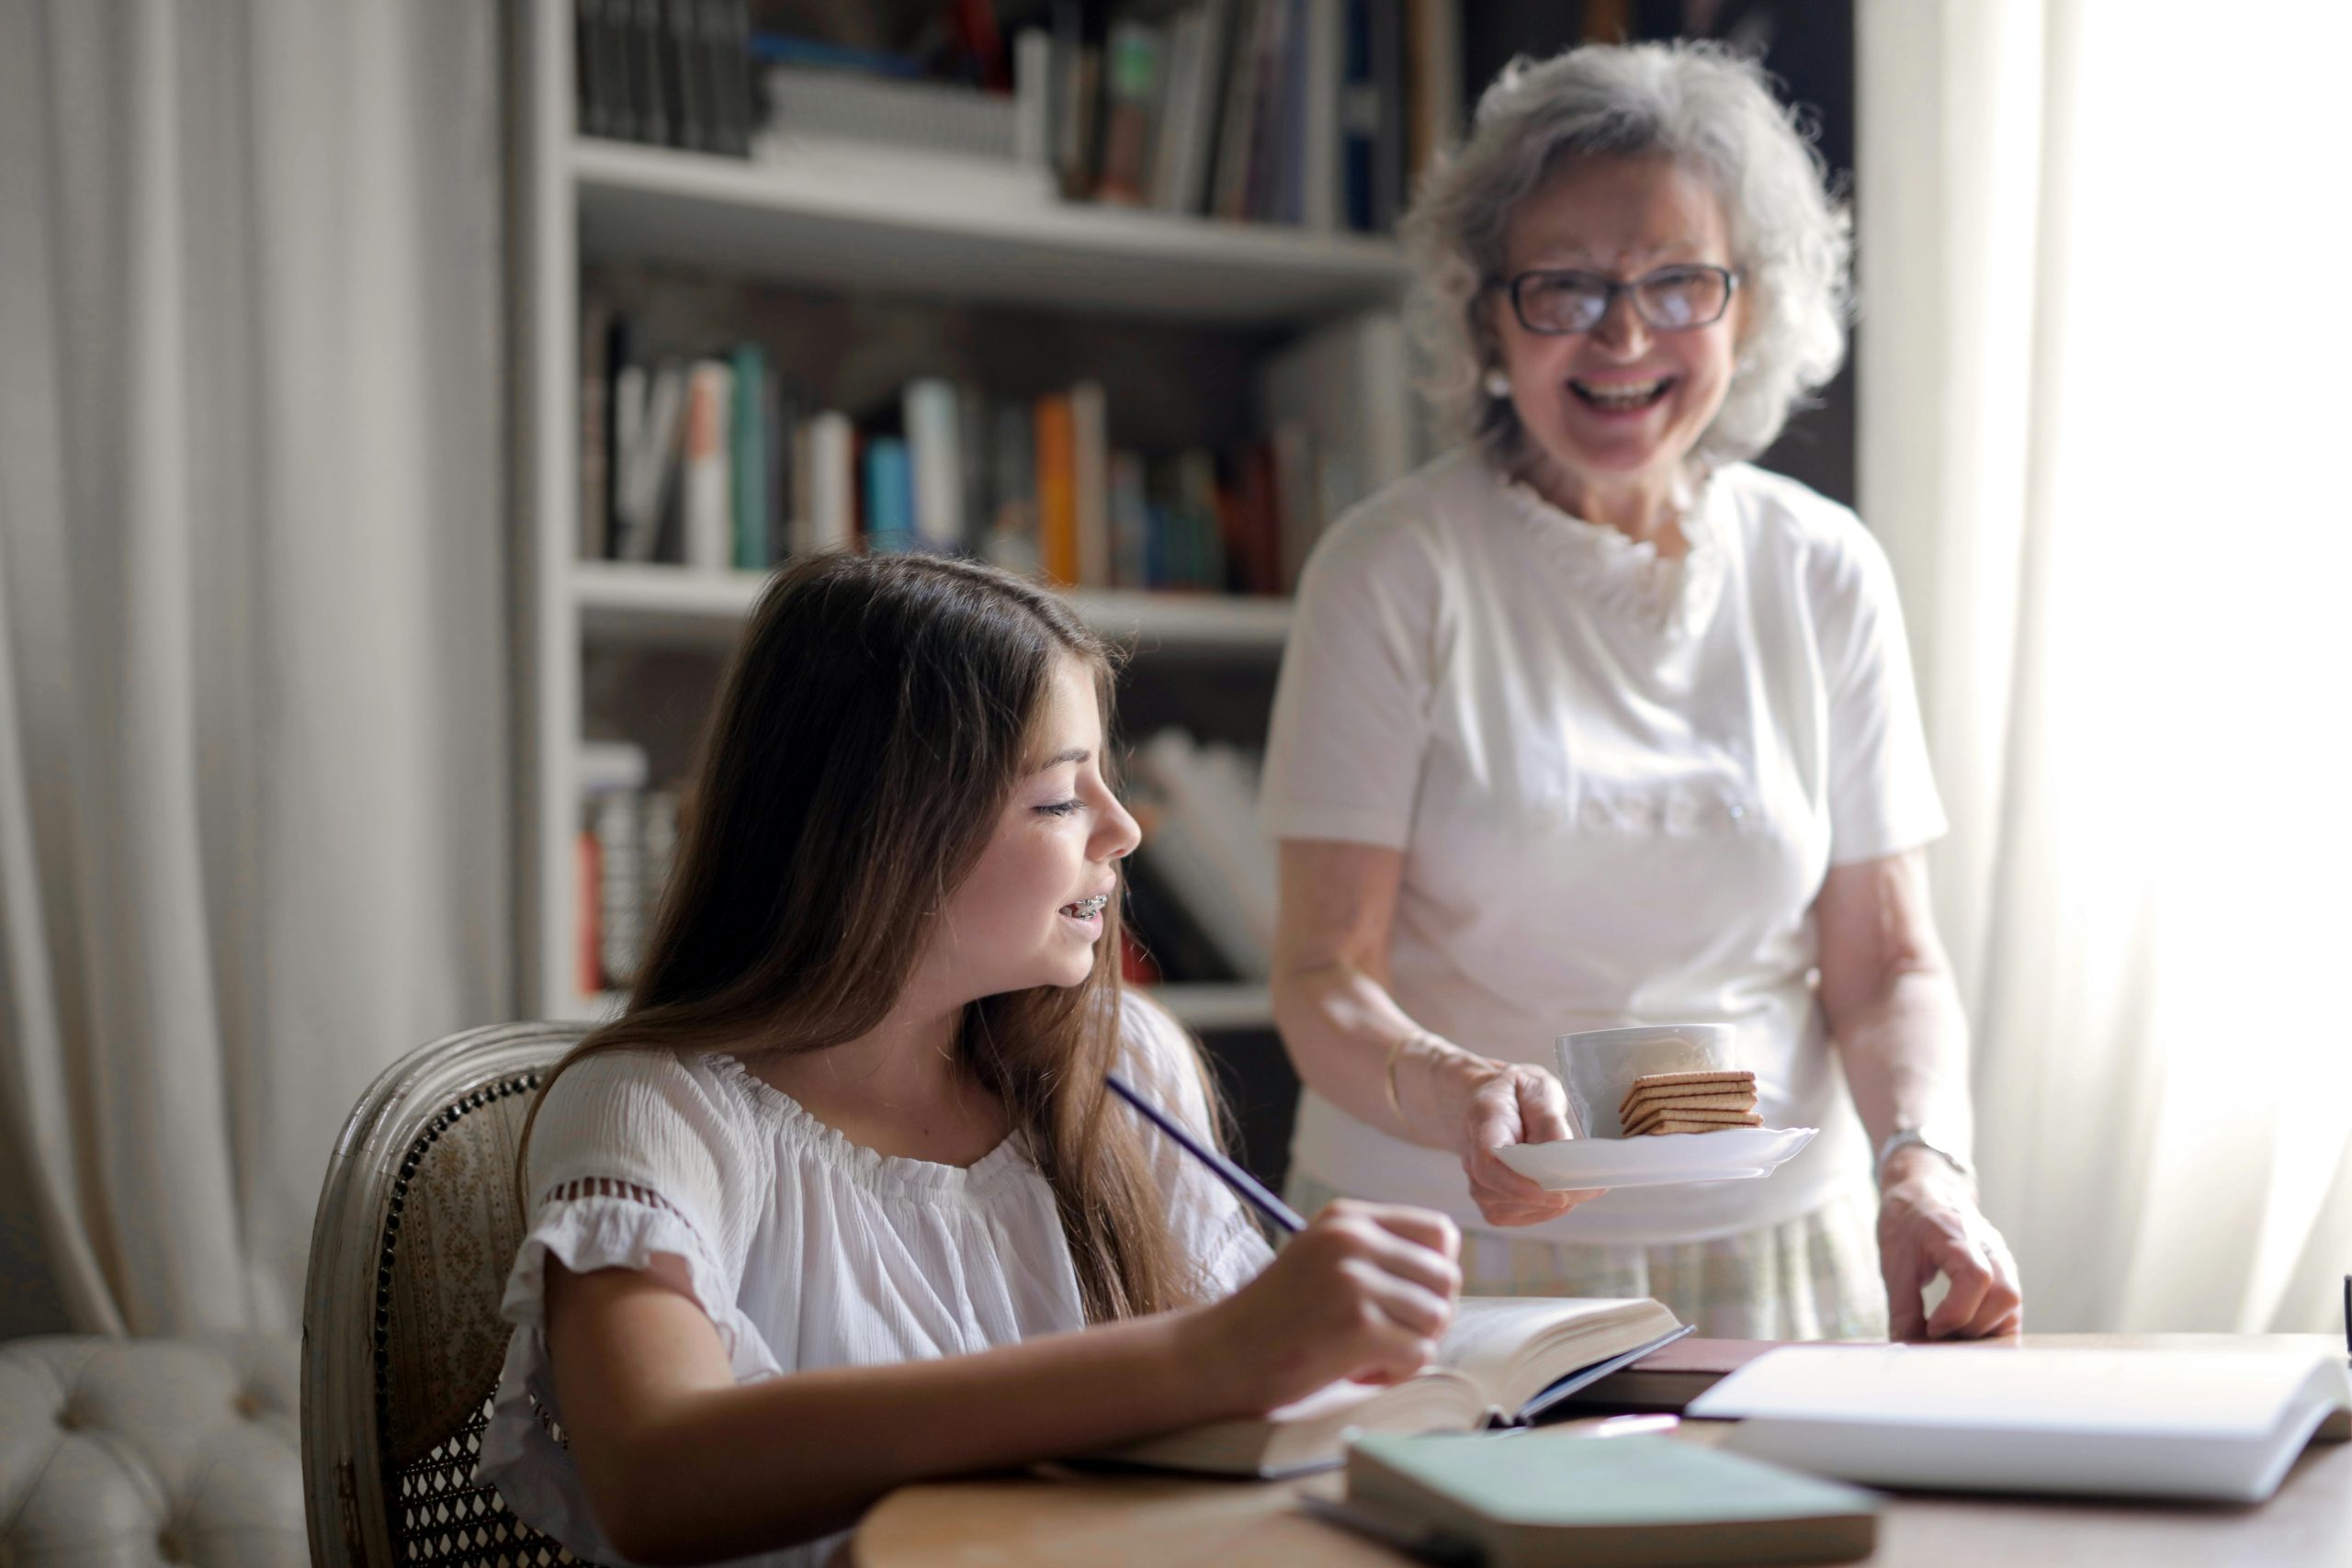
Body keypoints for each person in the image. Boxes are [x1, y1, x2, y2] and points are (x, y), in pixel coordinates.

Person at [479, 553, 1462, 1568]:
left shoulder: (1123, 1068)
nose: (1123, 830)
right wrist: (1202, 1359)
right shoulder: (658, 1114)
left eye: (1104, 782)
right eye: (1056, 800)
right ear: (881, 834)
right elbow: (654, 1477)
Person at [1261, 40, 2021, 1342]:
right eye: (1564, 286)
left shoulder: (1823, 567)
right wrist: (1452, 1090)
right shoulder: (1390, 569)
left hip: (1777, 1239)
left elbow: (1889, 962)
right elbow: (1325, 971)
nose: (1623, 334)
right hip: (1439, 1241)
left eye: (1679, 281)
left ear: (1750, 305)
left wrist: (1924, 1161)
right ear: (1485, 311)